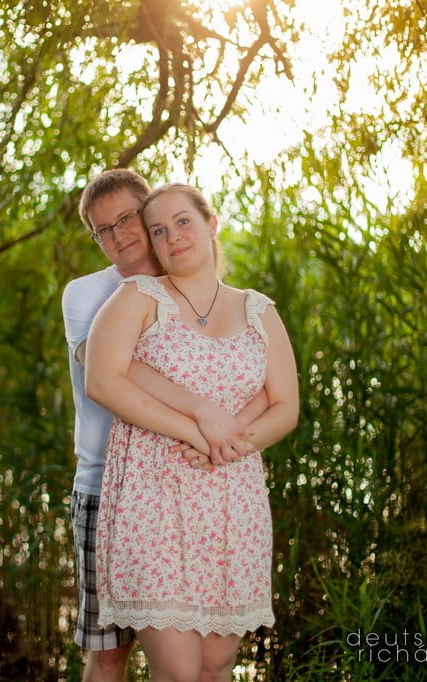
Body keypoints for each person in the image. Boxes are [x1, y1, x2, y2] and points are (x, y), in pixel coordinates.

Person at [84, 183, 300, 682]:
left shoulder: (258, 310)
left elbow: (285, 406)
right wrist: (200, 432)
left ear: (210, 223)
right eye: (159, 231)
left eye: (183, 222)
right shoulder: (139, 297)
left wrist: (229, 446)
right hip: (154, 500)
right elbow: (102, 380)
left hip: (233, 500)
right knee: (178, 671)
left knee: (215, 666)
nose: (173, 237)